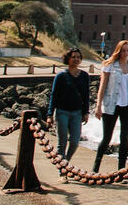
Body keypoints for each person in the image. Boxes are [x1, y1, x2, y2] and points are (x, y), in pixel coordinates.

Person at [93, 40, 128, 173]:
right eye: (123, 50)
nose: (125, 53)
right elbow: (103, 86)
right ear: (118, 51)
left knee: (124, 139)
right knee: (106, 138)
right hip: (111, 105)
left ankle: (121, 170)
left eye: (127, 50)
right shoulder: (110, 65)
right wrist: (98, 106)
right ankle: (95, 168)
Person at [46, 48, 89, 182]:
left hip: (77, 113)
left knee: (75, 142)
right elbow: (54, 96)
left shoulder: (84, 76)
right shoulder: (61, 76)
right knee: (62, 142)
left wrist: (86, 112)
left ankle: (65, 162)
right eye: (73, 57)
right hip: (62, 112)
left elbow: (86, 95)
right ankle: (62, 172)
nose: (76, 59)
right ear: (68, 59)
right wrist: (49, 114)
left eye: (78, 57)